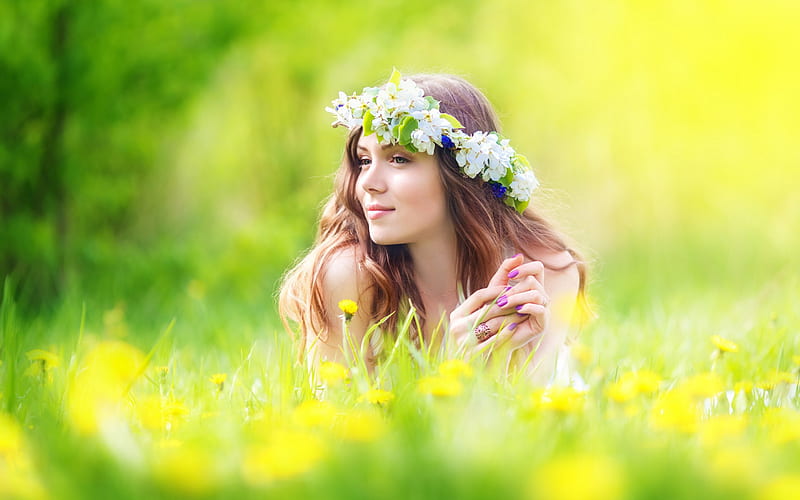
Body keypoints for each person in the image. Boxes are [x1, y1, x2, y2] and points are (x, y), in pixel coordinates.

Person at [279, 70, 588, 385]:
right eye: (363, 161)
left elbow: (533, 418)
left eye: (399, 159)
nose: (368, 183)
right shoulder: (348, 276)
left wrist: (504, 365)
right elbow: (335, 419)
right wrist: (454, 371)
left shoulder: (546, 271)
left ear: (461, 173)